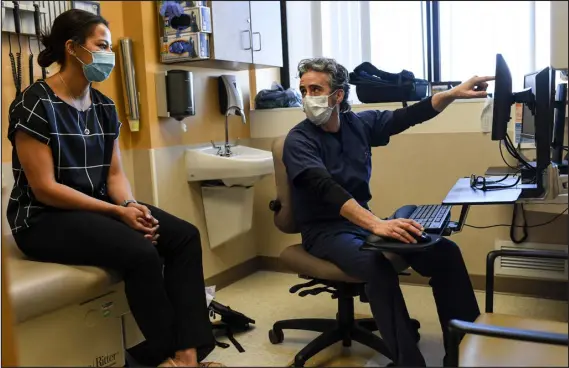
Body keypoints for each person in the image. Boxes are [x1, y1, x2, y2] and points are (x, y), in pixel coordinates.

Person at [6, 9, 223, 368]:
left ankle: (188, 354)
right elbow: (44, 188)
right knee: (141, 252)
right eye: (101, 45)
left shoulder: (104, 107)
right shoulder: (35, 103)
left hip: (98, 209)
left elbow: (114, 176)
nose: (108, 54)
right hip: (43, 219)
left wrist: (132, 205)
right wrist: (116, 212)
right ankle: (163, 355)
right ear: (73, 48)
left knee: (184, 235)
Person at [282, 58, 492, 367]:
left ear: (338, 95)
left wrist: (451, 94)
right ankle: (409, 362)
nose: (308, 96)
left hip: (362, 222)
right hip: (325, 231)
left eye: (316, 88)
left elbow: (407, 116)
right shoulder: (298, 140)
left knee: (443, 250)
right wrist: (377, 224)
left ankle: (465, 350)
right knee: (375, 263)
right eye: (303, 90)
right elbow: (325, 188)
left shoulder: (358, 125)